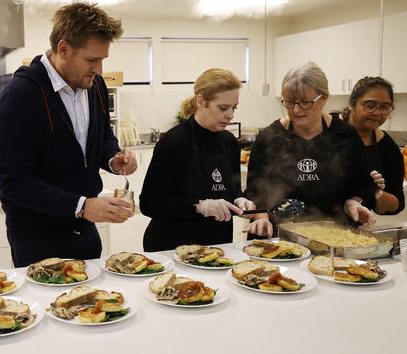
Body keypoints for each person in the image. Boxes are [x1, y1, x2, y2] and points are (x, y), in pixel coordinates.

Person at [0, 3, 136, 267]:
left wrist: (112, 157)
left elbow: (103, 135)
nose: (100, 70)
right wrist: (82, 205)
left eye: (103, 60)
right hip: (38, 237)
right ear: (63, 49)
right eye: (92, 60)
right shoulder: (21, 96)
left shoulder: (95, 86)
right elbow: (13, 182)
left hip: (85, 229)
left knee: (95, 304)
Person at [245, 62, 376, 237]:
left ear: (324, 98)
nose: (296, 110)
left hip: (335, 234)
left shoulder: (345, 135)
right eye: (289, 103)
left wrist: (354, 202)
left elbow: (362, 183)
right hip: (278, 236)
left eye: (305, 103)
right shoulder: (270, 137)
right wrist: (261, 218)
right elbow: (256, 190)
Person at [139, 68, 257, 251]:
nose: (231, 115)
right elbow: (150, 204)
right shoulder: (173, 142)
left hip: (218, 246)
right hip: (173, 247)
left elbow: (231, 189)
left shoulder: (229, 141)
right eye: (223, 108)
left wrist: (239, 199)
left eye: (234, 107)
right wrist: (200, 207)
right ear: (201, 102)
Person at [342, 77, 404, 215]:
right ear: (352, 104)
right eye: (370, 105)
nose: (377, 113)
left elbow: (397, 205)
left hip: (352, 230)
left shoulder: (387, 148)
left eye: (385, 107)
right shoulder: (328, 129)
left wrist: (377, 193)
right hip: (310, 222)